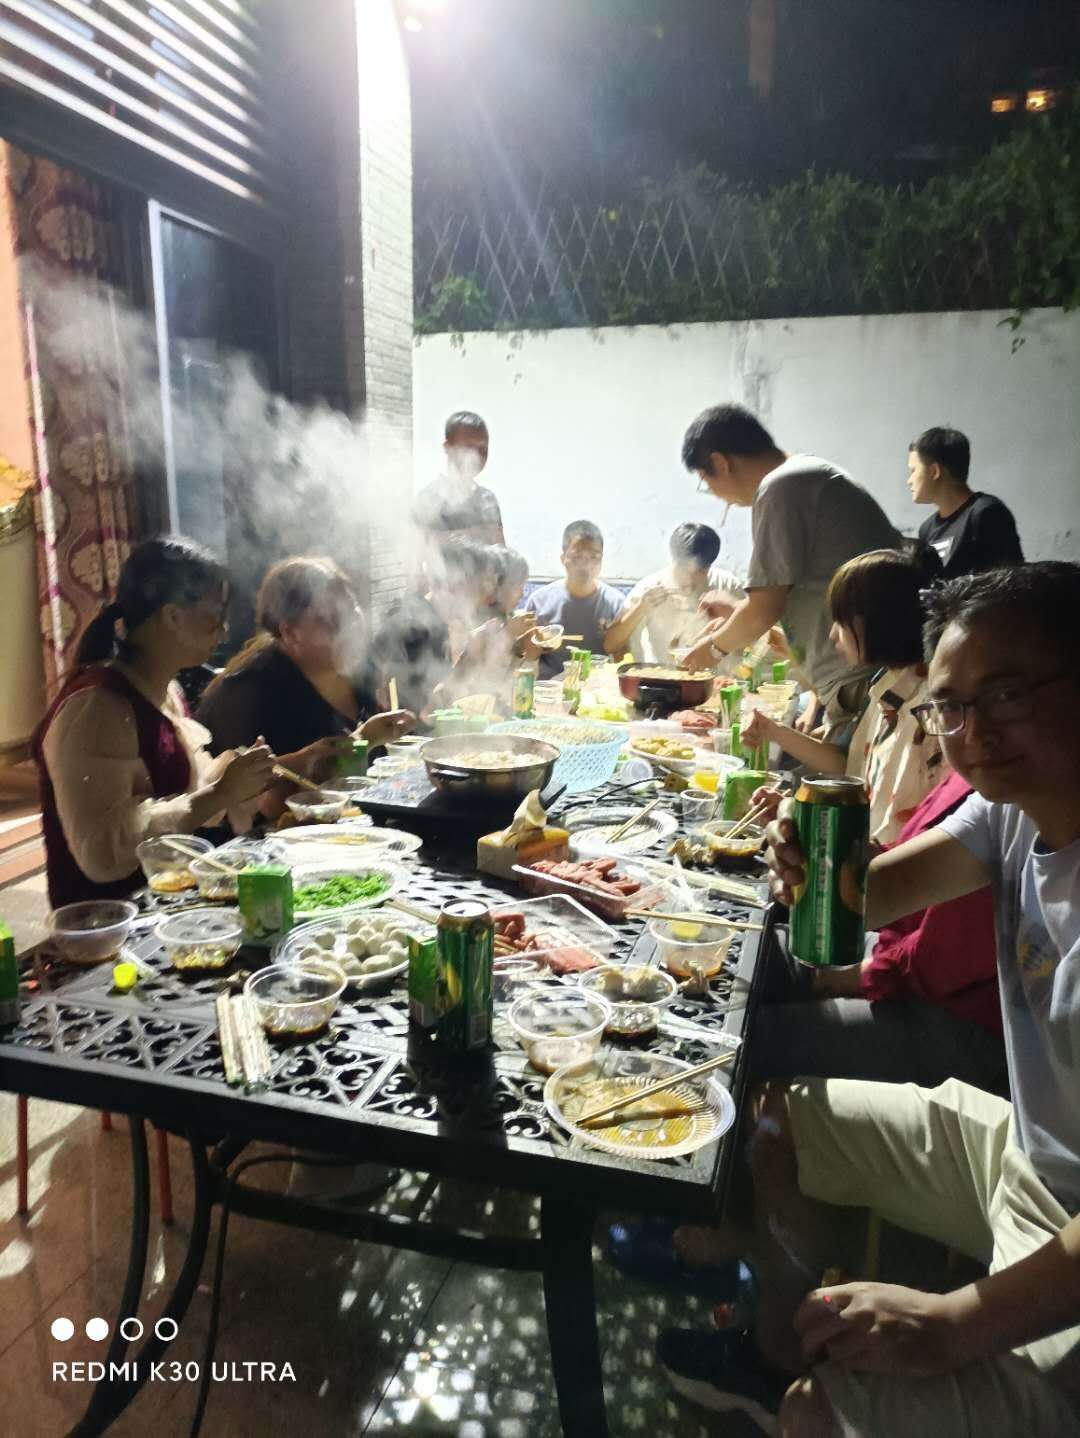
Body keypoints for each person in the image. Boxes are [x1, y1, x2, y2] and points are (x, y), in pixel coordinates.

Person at [660, 562, 1080, 1437]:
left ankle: (803, 1391)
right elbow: (875, 895)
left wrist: (952, 1322)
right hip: (1028, 1156)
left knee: (823, 1418)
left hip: (1068, 1223)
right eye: (950, 705)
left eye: (1007, 695)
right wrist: (816, 868)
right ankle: (773, 1355)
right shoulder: (1012, 810)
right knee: (770, 1116)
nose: (972, 732)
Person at [32, 538, 275, 909]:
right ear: (172, 616)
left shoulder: (166, 690)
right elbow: (101, 852)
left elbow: (188, 792)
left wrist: (238, 777)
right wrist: (220, 794)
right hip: (110, 922)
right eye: (215, 614)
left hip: (168, 901)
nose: (224, 630)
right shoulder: (97, 707)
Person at [680, 405, 899, 734]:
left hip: (860, 678)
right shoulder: (807, 475)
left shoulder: (782, 486)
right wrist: (737, 611)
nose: (716, 496)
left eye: (705, 482)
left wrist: (711, 651)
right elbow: (785, 597)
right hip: (867, 675)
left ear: (721, 463)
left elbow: (763, 609)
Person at [743, 546, 946, 847]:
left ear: (877, 620)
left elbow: (894, 833)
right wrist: (800, 811)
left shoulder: (927, 711)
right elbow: (851, 770)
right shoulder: (885, 688)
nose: (832, 635)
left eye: (841, 621)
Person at [197, 557, 413, 761]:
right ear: (290, 633)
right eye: (332, 620)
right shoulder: (251, 695)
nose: (351, 629)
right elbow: (264, 782)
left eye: (353, 612)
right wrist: (365, 740)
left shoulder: (361, 672)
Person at [603, 522, 743, 663]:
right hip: (660, 674)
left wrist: (731, 614)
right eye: (684, 569)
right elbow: (610, 645)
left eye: (701, 571)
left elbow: (752, 636)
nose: (691, 579)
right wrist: (640, 608)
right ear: (673, 558)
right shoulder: (650, 587)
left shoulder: (726, 585)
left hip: (718, 676)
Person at [909, 425, 1023, 577]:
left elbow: (1008, 580)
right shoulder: (927, 529)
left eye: (913, 471)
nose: (909, 481)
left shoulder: (987, 513)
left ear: (934, 471)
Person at [525, 520, 626, 678]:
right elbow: (527, 657)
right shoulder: (539, 601)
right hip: (549, 688)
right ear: (563, 558)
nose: (585, 565)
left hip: (596, 688)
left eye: (594, 557)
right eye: (577, 557)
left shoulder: (616, 603)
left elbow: (621, 657)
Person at [411, 411, 505, 550]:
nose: (477, 456)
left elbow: (501, 554)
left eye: (483, 449)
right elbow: (417, 555)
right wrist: (479, 534)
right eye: (468, 447)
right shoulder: (428, 499)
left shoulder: (487, 499)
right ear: (447, 448)